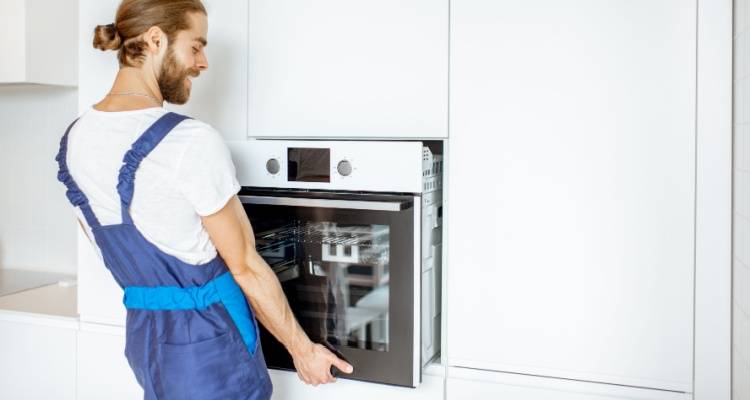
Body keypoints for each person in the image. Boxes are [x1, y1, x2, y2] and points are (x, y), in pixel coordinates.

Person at [54, 1, 352, 399]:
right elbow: (245, 264)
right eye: (195, 46)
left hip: (146, 337)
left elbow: (104, 242)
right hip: (210, 337)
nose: (203, 62)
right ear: (156, 39)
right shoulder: (188, 140)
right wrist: (303, 351)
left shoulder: (75, 139)